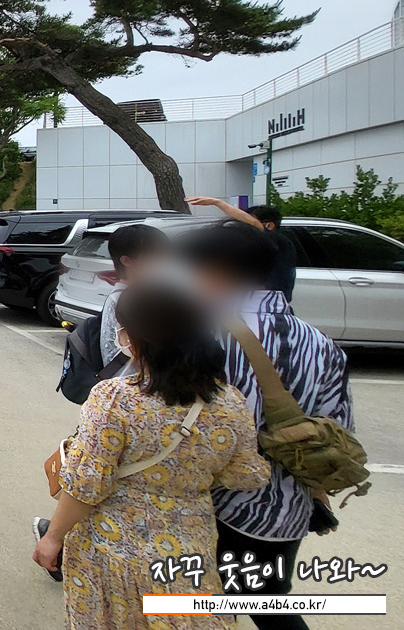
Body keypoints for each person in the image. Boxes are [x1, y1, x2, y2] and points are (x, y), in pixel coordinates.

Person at [33, 282, 270, 630]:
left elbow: (86, 485)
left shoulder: (114, 398)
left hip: (111, 550)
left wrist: (53, 538)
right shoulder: (230, 402)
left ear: (136, 339)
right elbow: (247, 475)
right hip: (190, 548)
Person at [180, 221, 353, 630]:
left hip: (209, 508)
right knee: (270, 604)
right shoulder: (322, 344)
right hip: (286, 512)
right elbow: (338, 428)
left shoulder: (197, 334)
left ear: (214, 271)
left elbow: (162, 423)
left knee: (189, 608)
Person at [184, 197, 297, 300]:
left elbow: (253, 223)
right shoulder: (277, 244)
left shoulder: (278, 241)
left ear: (269, 225)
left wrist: (218, 202)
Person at [95, 224, 171, 374]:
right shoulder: (122, 301)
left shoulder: (147, 296)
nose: (163, 264)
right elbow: (113, 357)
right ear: (127, 262)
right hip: (135, 383)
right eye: (155, 257)